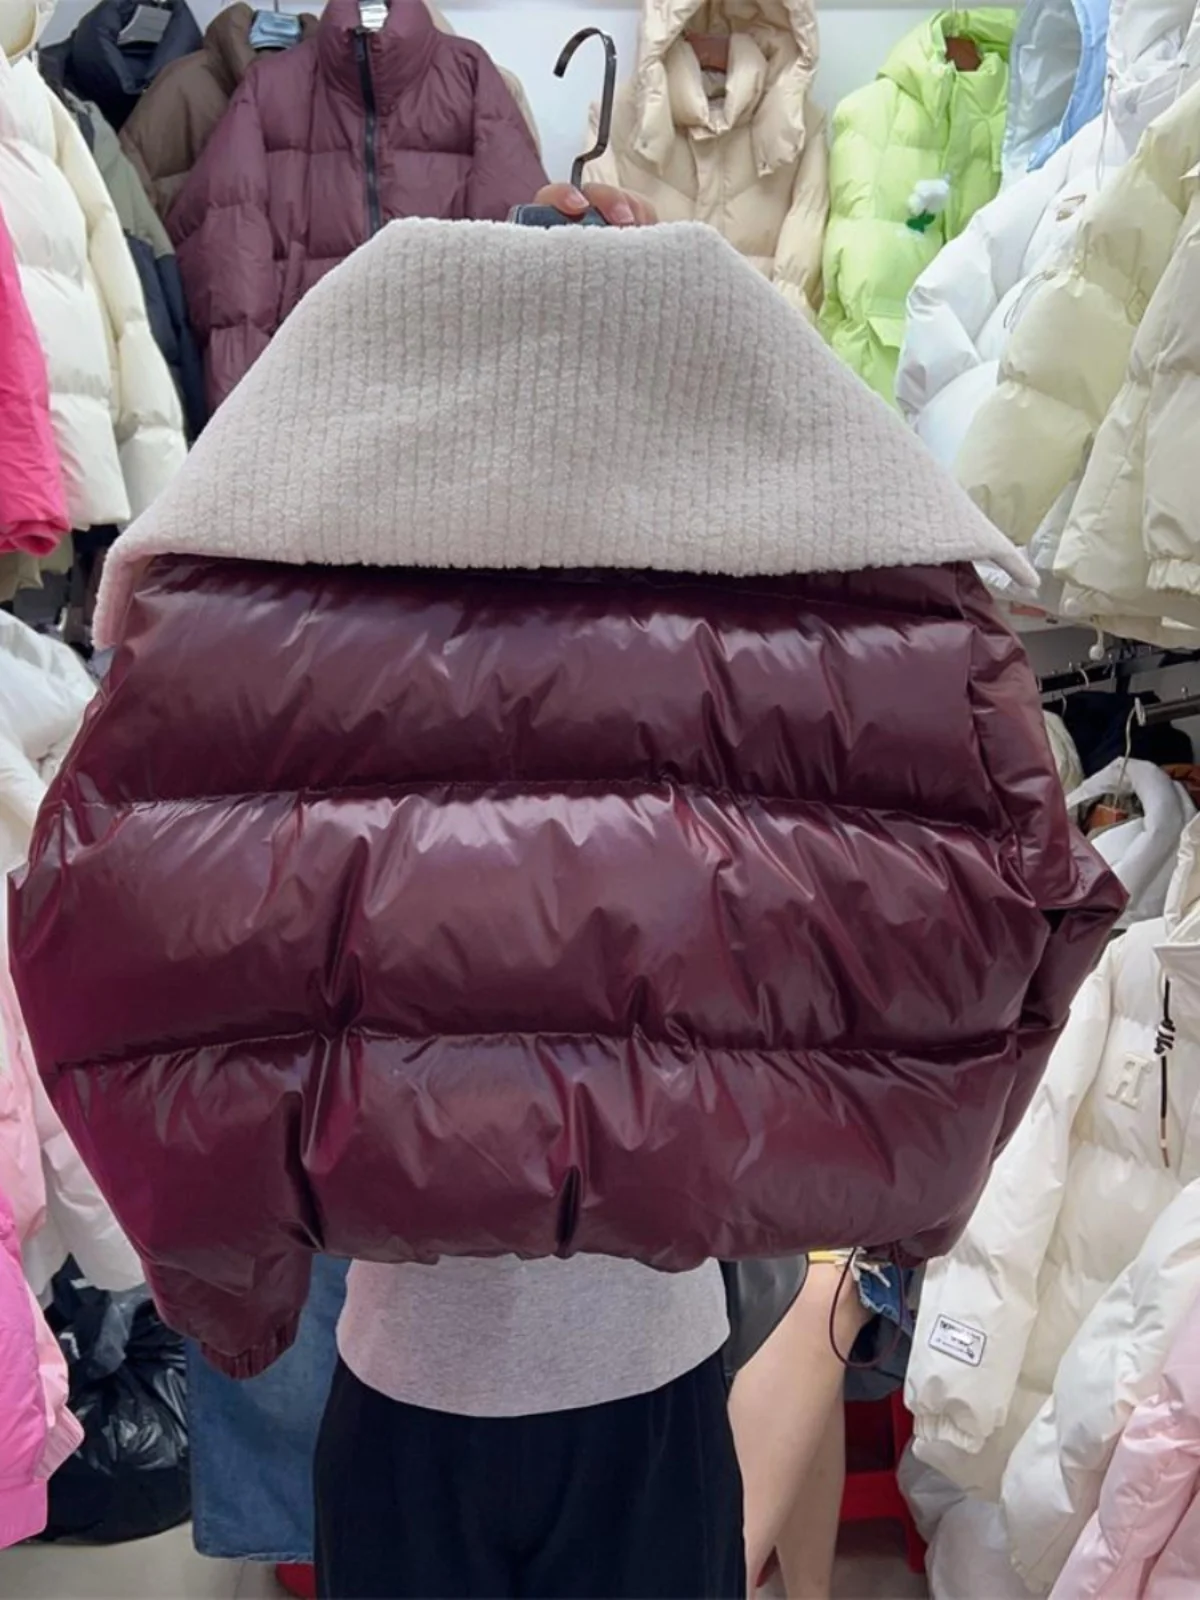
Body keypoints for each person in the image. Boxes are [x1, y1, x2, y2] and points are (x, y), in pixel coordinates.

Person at [11, 174, 1119, 1600]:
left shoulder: (295, 526)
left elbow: (105, 941)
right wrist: (903, 1190)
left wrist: (230, 1279)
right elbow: (1013, 901)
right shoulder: (802, 565)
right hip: (647, 1388)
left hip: (405, 1391)